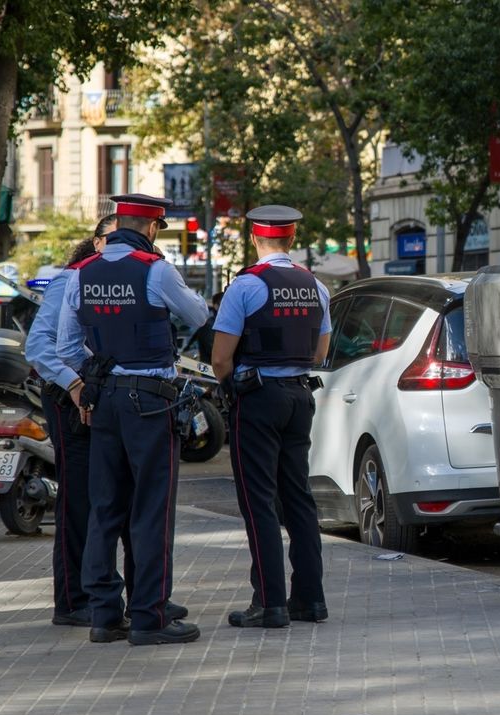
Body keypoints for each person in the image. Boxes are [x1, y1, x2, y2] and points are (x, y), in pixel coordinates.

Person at [56, 193, 209, 645]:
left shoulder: (81, 273)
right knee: (151, 510)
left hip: (104, 400)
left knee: (105, 507)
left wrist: (99, 368)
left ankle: (105, 616)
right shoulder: (155, 269)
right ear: (152, 227)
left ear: (118, 223)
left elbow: (66, 348)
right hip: (151, 401)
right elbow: (198, 315)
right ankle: (149, 616)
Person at [24, 236, 186, 629]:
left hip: (106, 400)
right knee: (81, 503)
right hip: (72, 400)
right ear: (97, 243)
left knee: (120, 499)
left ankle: (137, 596)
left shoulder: (113, 280)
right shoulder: (73, 279)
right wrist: (77, 386)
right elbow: (41, 347)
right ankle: (75, 600)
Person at [211, 205, 332, 629]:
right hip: (300, 397)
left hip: (259, 399)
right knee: (298, 498)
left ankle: (270, 602)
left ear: (254, 239)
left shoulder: (245, 286)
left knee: (258, 500)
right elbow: (319, 353)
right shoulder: (316, 286)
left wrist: (232, 390)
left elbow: (221, 358)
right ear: (292, 239)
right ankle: (310, 600)